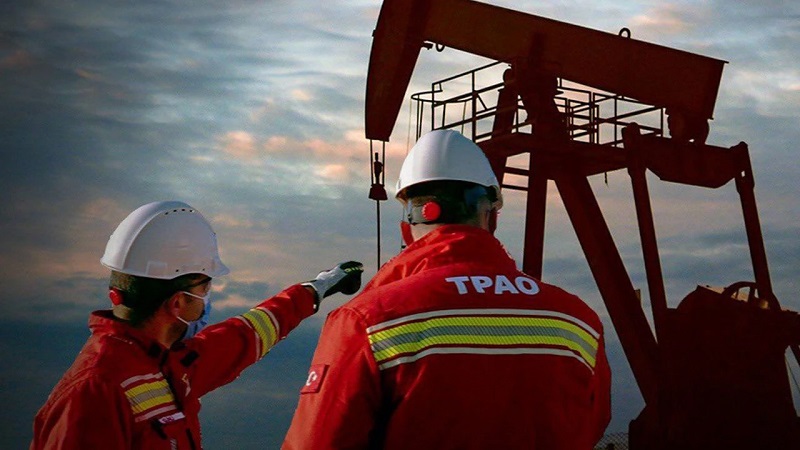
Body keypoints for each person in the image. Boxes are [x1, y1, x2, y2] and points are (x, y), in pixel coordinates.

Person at [283, 129, 611, 449]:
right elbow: (592, 423)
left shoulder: (364, 320)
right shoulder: (578, 321)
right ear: (491, 217)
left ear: (407, 228)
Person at [31, 200, 363, 449]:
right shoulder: (93, 391)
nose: (207, 298)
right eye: (204, 287)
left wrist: (318, 287)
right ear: (177, 302)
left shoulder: (167, 364)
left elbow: (247, 334)